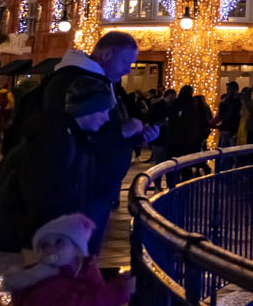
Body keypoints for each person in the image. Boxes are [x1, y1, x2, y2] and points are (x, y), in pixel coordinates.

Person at [8, 33, 157, 250]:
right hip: (79, 193)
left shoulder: (103, 81)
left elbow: (101, 129)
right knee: (73, 261)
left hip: (92, 188)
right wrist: (122, 133)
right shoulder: (77, 82)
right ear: (106, 54)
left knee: (83, 260)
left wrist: (136, 136)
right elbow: (68, 135)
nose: (128, 70)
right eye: (126, 62)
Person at [0, 75, 116, 253]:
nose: (106, 118)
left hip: (53, 235)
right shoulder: (58, 140)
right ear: (86, 109)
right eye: (102, 110)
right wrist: (50, 240)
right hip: (45, 239)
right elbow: (42, 194)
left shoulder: (73, 136)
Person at [215, 81, 242, 149]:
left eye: (229, 89)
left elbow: (222, 115)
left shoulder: (237, 102)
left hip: (231, 130)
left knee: (226, 152)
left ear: (235, 89)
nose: (227, 91)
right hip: (229, 130)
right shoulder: (230, 101)